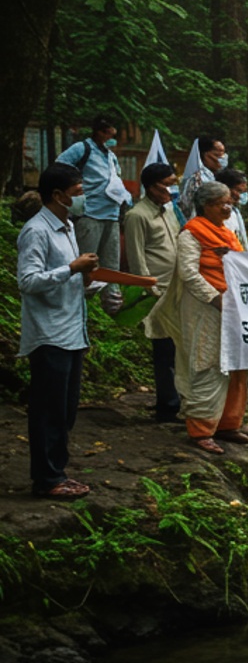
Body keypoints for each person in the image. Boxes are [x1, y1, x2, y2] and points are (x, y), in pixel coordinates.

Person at [17, 164, 101, 497]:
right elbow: (28, 281)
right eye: (79, 192)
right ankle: (46, 479)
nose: (83, 197)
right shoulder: (36, 231)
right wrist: (71, 268)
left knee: (65, 409)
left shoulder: (66, 226)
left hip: (71, 330)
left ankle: (58, 472)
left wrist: (88, 279)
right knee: (48, 409)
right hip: (49, 332)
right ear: (57, 195)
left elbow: (67, 278)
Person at [164, 181, 248, 454]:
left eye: (229, 203)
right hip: (204, 307)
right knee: (207, 361)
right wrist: (215, 298)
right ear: (206, 206)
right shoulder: (191, 234)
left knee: (237, 364)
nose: (228, 208)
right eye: (221, 203)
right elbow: (188, 273)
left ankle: (228, 424)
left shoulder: (228, 233)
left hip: (233, 307)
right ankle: (201, 429)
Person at [122, 162, 182, 424]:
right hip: (159, 292)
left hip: (179, 287)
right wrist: (151, 291)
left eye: (173, 183)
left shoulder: (168, 210)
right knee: (164, 350)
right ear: (151, 186)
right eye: (167, 184)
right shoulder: (137, 215)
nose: (171, 189)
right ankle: (168, 406)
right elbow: (137, 259)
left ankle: (179, 399)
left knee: (180, 348)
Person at [54, 116, 127, 310]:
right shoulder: (82, 148)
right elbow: (60, 166)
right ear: (100, 131)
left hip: (111, 213)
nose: (111, 136)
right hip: (90, 212)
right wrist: (77, 189)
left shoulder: (110, 155)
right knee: (86, 261)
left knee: (111, 263)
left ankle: (111, 304)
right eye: (108, 132)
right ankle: (76, 304)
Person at [177, 135, 228, 223]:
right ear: (205, 155)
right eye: (218, 155)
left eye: (223, 154)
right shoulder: (198, 179)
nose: (222, 158)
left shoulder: (211, 176)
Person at [215, 168, 248, 251]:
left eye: (244, 191)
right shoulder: (215, 213)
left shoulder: (234, 212)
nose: (240, 195)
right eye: (238, 190)